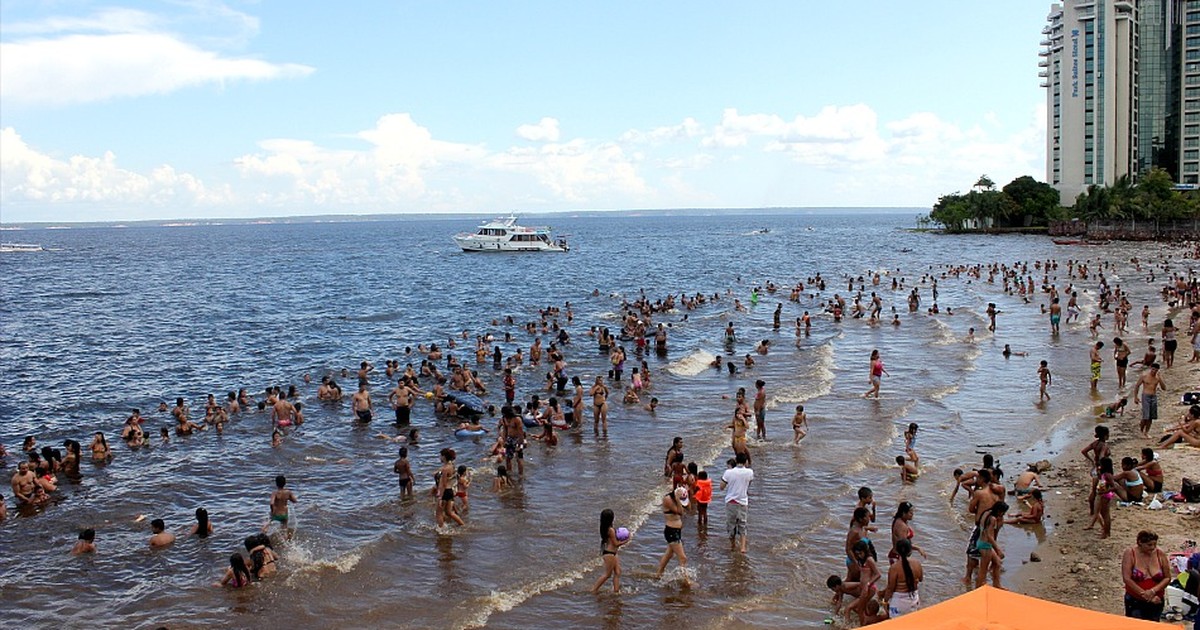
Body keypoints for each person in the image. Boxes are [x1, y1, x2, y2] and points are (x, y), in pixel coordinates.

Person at [1122, 530, 1171, 620]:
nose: (1152, 548)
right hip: (1135, 600)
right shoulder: (1130, 554)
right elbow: (1127, 578)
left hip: (1157, 599)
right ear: (1140, 542)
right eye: (1149, 545)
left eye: (1154, 545)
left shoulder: (1160, 554)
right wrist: (1145, 595)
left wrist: (1152, 591)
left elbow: (1167, 577)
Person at [654, 486, 690, 586]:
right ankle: (686, 581)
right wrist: (678, 499)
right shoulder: (667, 499)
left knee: (669, 554)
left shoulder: (678, 499)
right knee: (683, 558)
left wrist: (687, 493)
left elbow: (689, 508)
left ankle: (658, 574)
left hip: (676, 531)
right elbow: (681, 512)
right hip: (671, 531)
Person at [590, 508, 630, 593]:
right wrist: (626, 540)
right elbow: (615, 544)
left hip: (612, 553)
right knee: (607, 575)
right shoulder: (611, 530)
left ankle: (616, 591)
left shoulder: (604, 528)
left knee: (618, 572)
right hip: (610, 553)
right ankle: (594, 590)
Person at [721, 452, 753, 553]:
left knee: (731, 525)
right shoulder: (750, 472)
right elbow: (748, 484)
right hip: (743, 501)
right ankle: (743, 547)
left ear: (736, 460)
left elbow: (721, 487)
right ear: (746, 461)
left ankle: (733, 545)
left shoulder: (728, 472)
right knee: (742, 525)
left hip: (731, 501)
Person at [884, 538, 922, 617]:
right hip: (914, 599)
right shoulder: (917, 564)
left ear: (897, 551)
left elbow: (890, 589)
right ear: (910, 551)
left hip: (898, 603)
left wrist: (885, 601)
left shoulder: (894, 568)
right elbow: (920, 579)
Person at [975, 502, 1007, 589]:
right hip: (985, 545)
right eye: (1003, 512)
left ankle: (997, 584)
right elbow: (989, 536)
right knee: (983, 571)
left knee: (997, 563)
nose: (1003, 515)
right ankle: (978, 588)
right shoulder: (992, 519)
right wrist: (998, 549)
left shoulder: (986, 513)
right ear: (999, 511)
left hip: (981, 542)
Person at [1132, 363, 1166, 438]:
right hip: (1145, 396)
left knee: (1151, 417)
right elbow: (1137, 386)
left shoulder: (1157, 378)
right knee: (1145, 416)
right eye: (1153, 369)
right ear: (1151, 368)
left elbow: (1164, 388)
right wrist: (1135, 397)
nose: (1154, 371)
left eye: (1156, 370)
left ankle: (1146, 432)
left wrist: (1160, 378)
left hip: (1153, 396)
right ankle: (1141, 430)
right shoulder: (1144, 376)